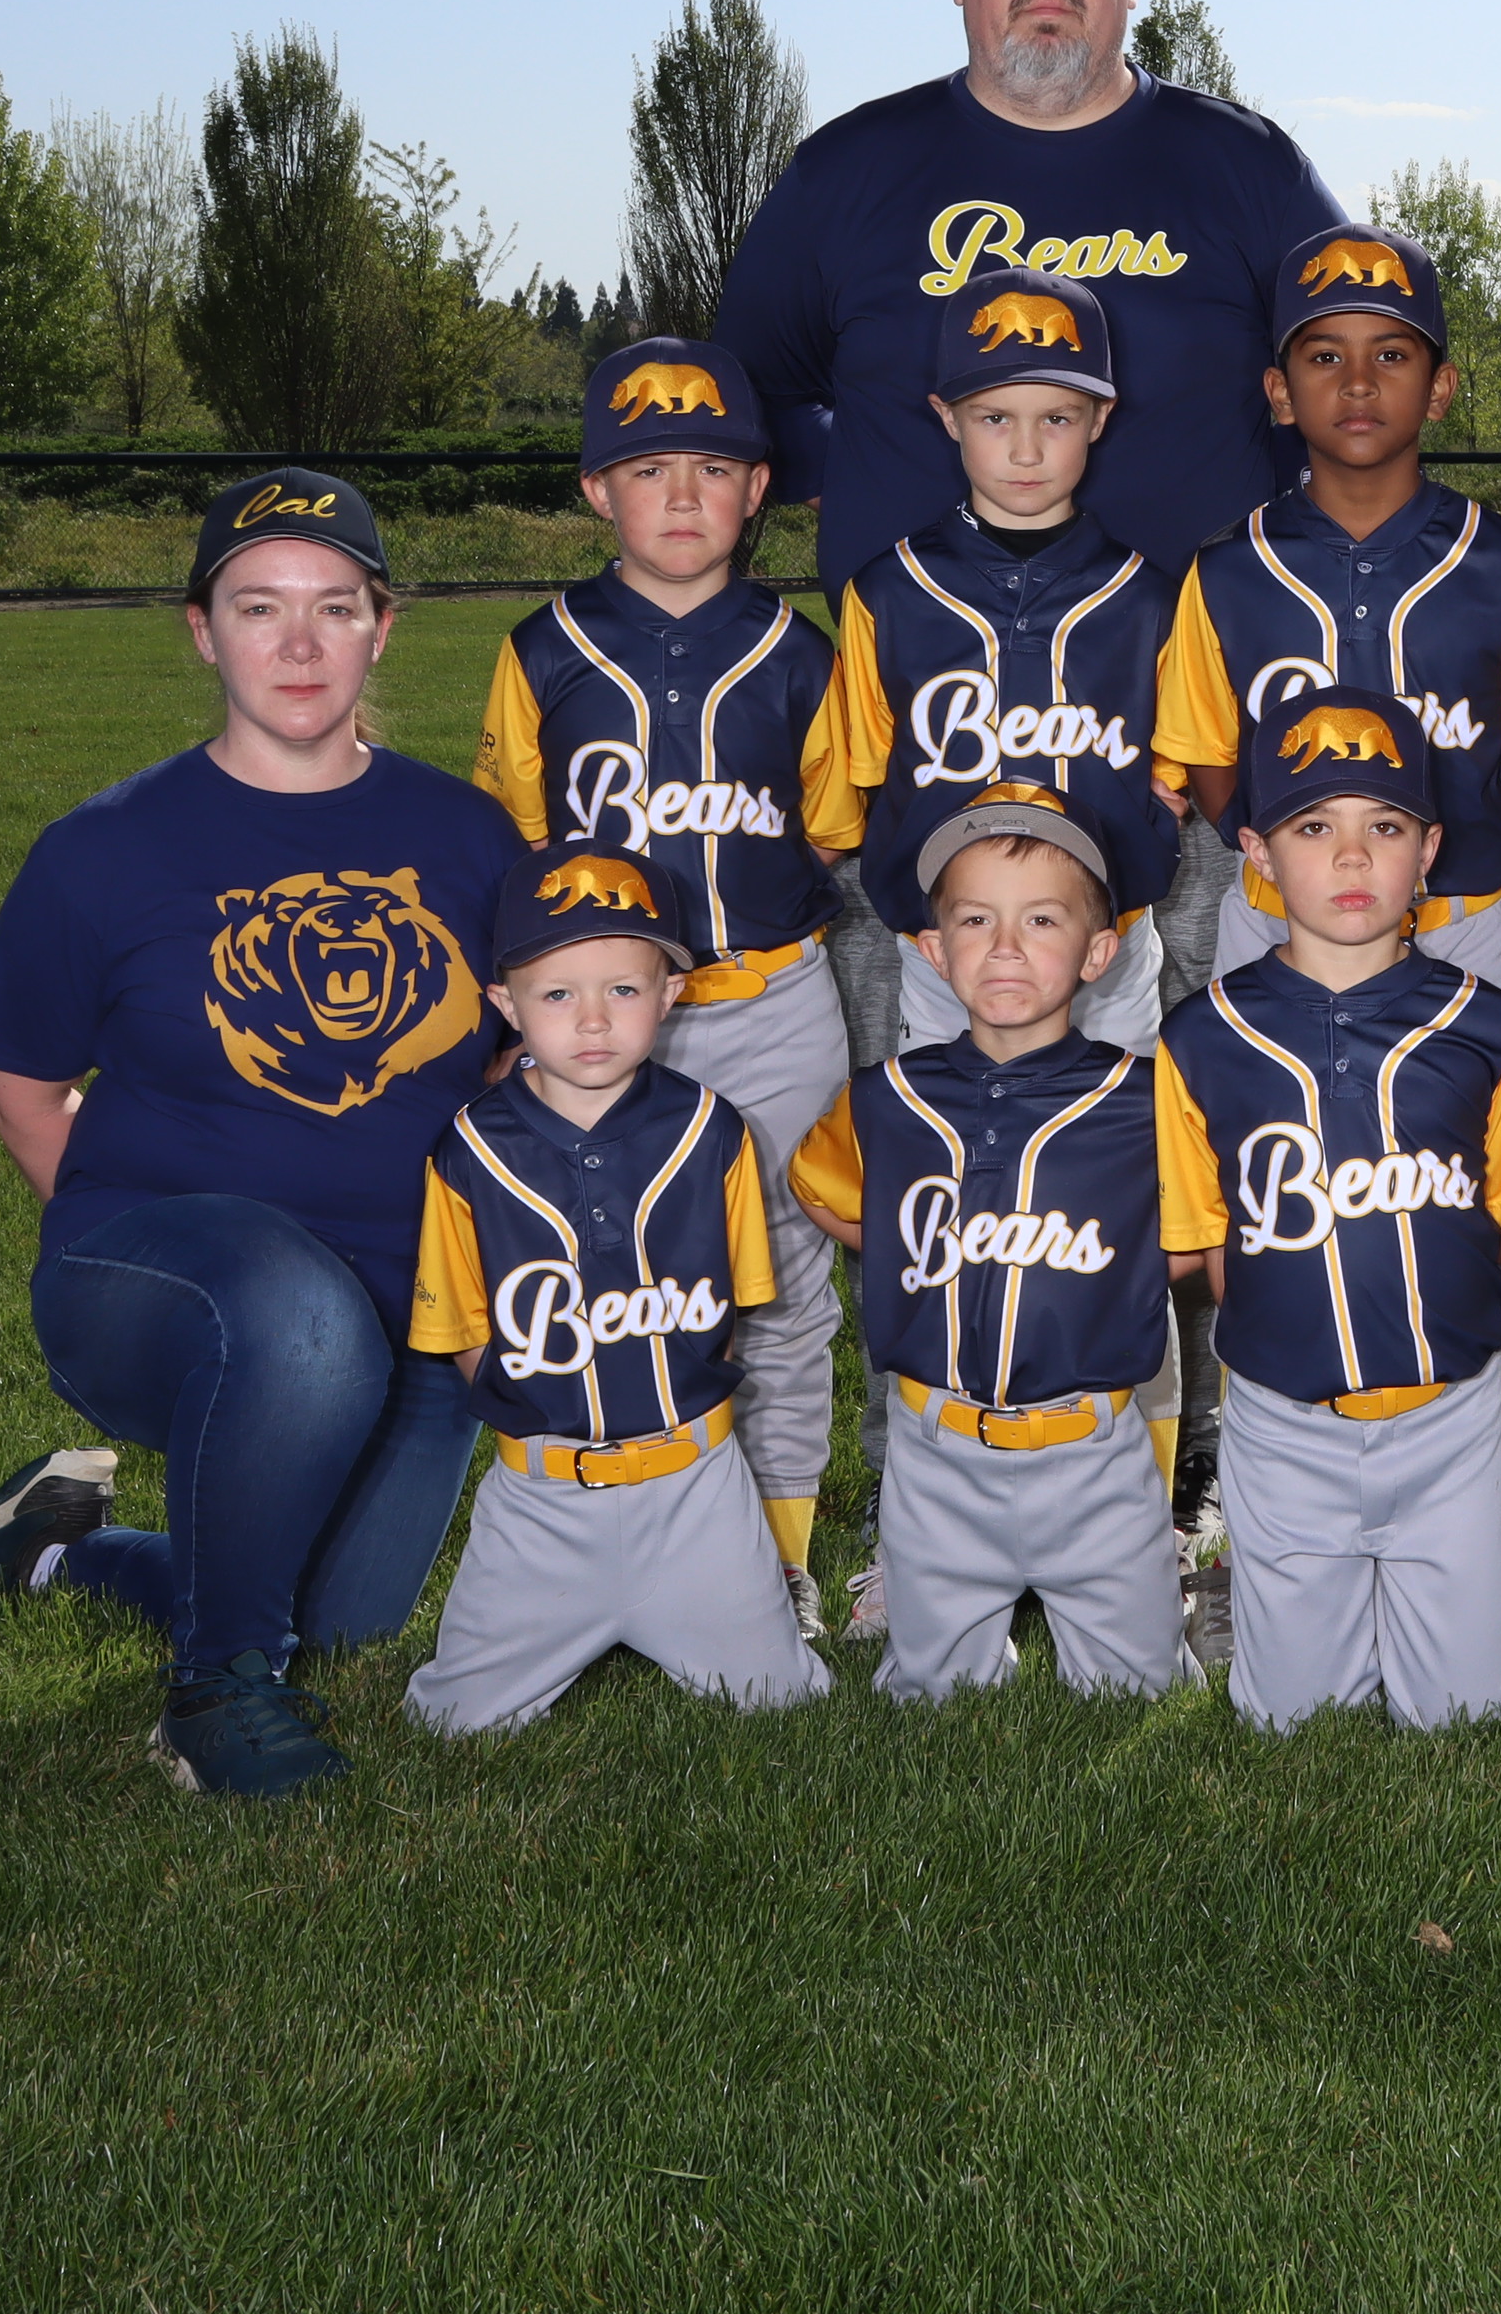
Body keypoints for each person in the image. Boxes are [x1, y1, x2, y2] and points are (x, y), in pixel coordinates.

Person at [0, 470, 521, 1799]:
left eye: (334, 607)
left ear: (381, 630)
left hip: (411, 1301)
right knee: (292, 1314)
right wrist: (154, 1252)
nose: (299, 643)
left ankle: (48, 1547)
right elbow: (18, 1086)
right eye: (258, 607)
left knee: (342, 1617)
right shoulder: (105, 848)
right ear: (202, 630)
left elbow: (512, 1068)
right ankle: (215, 1698)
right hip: (158, 1282)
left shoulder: (470, 839)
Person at [717, 0, 1347, 1062]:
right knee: (921, 1103)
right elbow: (739, 403)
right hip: (925, 749)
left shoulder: (1242, 164)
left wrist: (1270, 547)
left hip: (1186, 756)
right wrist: (868, 476)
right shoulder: (852, 169)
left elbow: (1342, 380)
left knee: (1203, 1105)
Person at [1152, 225, 1501, 1652]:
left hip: (1463, 934)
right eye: (1324, 356)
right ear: (1277, 389)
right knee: (1269, 1223)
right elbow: (1207, 762)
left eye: (1392, 354)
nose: (1358, 383)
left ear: (1442, 385)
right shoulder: (1228, 570)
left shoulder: (1498, 559)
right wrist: (1278, 873)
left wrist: (1490, 871)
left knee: (1492, 1243)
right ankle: (1259, 1527)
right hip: (1275, 939)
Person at [471, 337, 858, 1642]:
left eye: (714, 466)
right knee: (607, 1278)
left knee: (782, 1285)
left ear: (758, 488)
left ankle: (779, 1560)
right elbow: (516, 849)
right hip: (598, 1023)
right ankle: (613, 1540)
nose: (683, 495)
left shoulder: (799, 653)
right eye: (647, 469)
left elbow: (830, 832)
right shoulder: (545, 650)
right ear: (597, 490)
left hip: (769, 1004)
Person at [1155, 694, 1501, 1732]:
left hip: (1452, 1417)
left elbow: (1498, 1225)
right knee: (1293, 1719)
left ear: (1429, 852)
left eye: (1384, 825)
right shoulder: (1201, 1037)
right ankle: (1270, 1594)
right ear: (1257, 852)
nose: (1350, 856)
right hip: (1285, 1423)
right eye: (1312, 827)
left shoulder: (1493, 1028)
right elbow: (1215, 1246)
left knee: (1464, 1713)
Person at [400, 843, 831, 1735]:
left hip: (697, 1492)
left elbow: (729, 1314)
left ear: (671, 994)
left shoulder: (713, 1130)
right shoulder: (468, 1151)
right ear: (505, 1004)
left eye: (625, 989)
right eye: (558, 994)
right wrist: (540, 1416)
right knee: (450, 1726)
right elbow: (465, 1331)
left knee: (781, 1702)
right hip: (542, 1502)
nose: (593, 1020)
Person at [785, 784, 1189, 1705]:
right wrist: (907, 1252)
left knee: (1137, 1689)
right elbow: (822, 1189)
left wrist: (1132, 1271)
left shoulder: (1147, 1099)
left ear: (1099, 951)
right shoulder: (888, 1095)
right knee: (929, 1695)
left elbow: (1205, 1231)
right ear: (933, 951)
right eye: (974, 920)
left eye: (1041, 919)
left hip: (1094, 1446)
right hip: (938, 1448)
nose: (1005, 946)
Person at [814, 265, 1179, 1055]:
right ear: (947, 416)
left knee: (1117, 1125)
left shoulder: (1150, 596)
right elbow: (867, 772)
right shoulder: (888, 590)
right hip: (948, 945)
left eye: (1057, 417)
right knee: (945, 1122)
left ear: (1100, 417)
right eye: (993, 417)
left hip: (1107, 943)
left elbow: (1177, 771)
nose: (1025, 448)